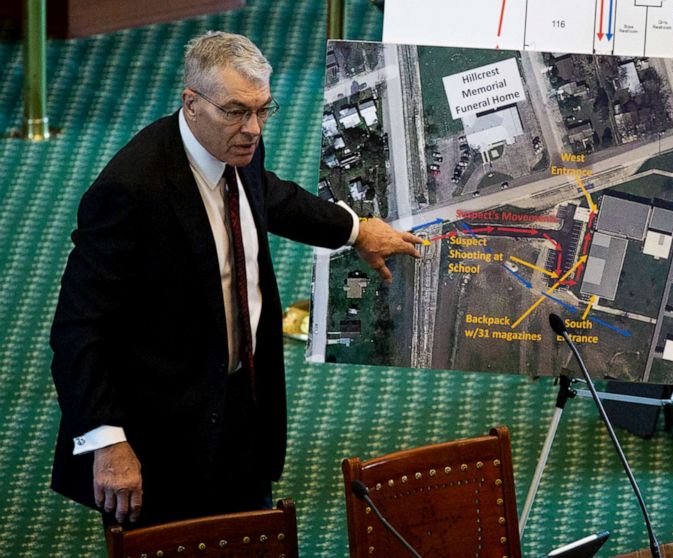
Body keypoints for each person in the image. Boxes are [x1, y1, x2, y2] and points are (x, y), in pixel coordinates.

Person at [49, 31, 422, 527]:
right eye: (236, 111)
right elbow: (78, 328)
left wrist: (354, 230)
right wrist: (108, 443)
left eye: (263, 110)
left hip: (242, 401)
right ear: (192, 104)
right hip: (162, 427)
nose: (253, 128)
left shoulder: (237, 149)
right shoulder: (130, 190)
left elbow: (268, 196)